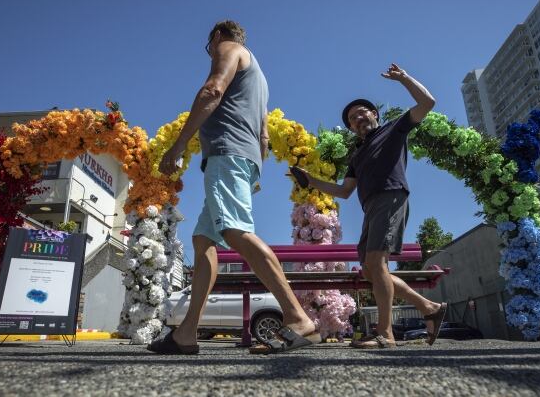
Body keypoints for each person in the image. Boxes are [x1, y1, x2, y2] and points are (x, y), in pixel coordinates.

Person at [150, 20, 319, 355]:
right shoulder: (259, 79)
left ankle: (298, 317)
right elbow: (265, 135)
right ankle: (186, 333)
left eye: (209, 46)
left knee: (234, 231)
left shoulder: (230, 49)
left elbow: (212, 90)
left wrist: (179, 145)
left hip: (227, 154)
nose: (211, 52)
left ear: (216, 37)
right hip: (240, 157)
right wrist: (254, 170)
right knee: (203, 240)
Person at [292, 63, 447, 348]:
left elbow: (428, 102)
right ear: (351, 127)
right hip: (370, 207)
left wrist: (403, 78)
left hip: (391, 196)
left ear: (374, 114)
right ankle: (430, 308)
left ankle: (385, 334)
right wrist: (310, 181)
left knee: (377, 264)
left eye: (362, 112)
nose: (358, 118)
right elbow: (344, 191)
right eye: (352, 118)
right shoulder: (357, 154)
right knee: (372, 271)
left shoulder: (394, 129)